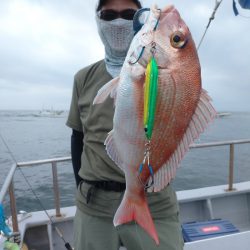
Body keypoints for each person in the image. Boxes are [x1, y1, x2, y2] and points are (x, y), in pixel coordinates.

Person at [66, 0, 184, 249]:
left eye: (128, 14)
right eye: (108, 14)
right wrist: (81, 184)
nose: (118, 21)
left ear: (139, 21)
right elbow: (78, 137)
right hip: (94, 204)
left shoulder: (164, 73)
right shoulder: (83, 78)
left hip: (154, 201)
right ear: (98, 20)